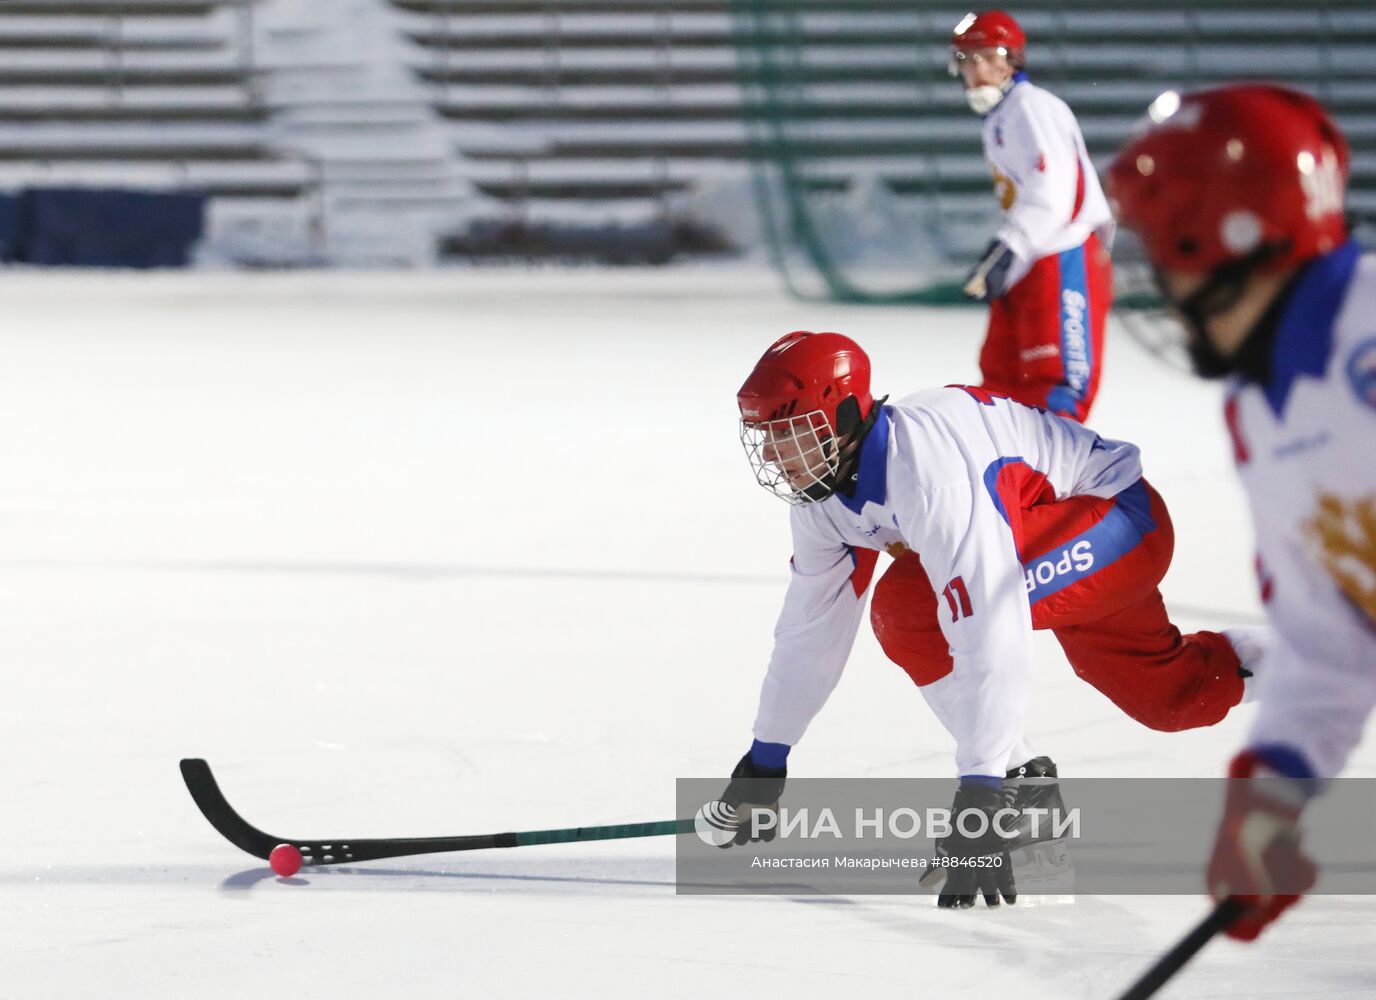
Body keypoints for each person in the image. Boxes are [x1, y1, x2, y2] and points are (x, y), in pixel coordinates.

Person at [718, 329, 1265, 908]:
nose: (773, 455)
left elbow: (987, 627)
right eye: (765, 436)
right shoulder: (823, 499)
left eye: (790, 432)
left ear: (846, 414)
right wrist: (767, 758)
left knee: (910, 610)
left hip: (1120, 522)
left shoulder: (930, 474)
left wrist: (980, 789)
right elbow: (811, 629)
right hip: (1054, 530)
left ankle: (1018, 787)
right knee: (1176, 696)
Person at [1108, 84, 1375, 941]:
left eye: (1165, 250)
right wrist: (1275, 789)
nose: (1162, 279)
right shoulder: (1261, 409)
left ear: (1230, 238)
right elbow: (1328, 640)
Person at [949, 9, 1115, 423]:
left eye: (986, 56)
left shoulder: (1032, 107)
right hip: (1033, 260)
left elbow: (1054, 193)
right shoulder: (1002, 117)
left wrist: (1010, 246)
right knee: (1002, 386)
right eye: (967, 60)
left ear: (1012, 59)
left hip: (1061, 253)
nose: (976, 69)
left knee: (1055, 388)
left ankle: (1049, 484)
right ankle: (1009, 482)